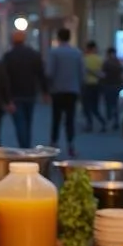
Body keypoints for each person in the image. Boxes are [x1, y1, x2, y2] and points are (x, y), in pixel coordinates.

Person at [3, 30, 47, 148]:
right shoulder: (34, 55)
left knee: (20, 122)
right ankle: (26, 145)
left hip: (15, 94)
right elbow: (41, 74)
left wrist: (6, 98)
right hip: (30, 92)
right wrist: (45, 92)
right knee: (28, 121)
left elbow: (4, 78)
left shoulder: (8, 56)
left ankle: (24, 146)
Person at [47, 27, 83, 156]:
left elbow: (50, 72)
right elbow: (81, 73)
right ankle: (70, 145)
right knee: (70, 118)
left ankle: (54, 143)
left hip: (57, 90)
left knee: (56, 118)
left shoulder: (54, 53)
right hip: (72, 90)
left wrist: (48, 88)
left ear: (58, 38)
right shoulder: (77, 53)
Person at [81, 40, 107, 132]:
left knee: (86, 106)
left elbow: (81, 73)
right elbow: (103, 73)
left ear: (88, 48)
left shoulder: (84, 59)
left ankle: (89, 124)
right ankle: (103, 122)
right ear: (94, 48)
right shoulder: (100, 59)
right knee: (95, 107)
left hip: (87, 85)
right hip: (97, 85)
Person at [100, 47, 123, 129]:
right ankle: (116, 120)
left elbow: (103, 74)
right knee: (115, 104)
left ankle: (109, 120)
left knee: (108, 104)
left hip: (108, 85)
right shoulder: (118, 62)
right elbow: (122, 73)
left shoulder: (106, 63)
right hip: (117, 85)